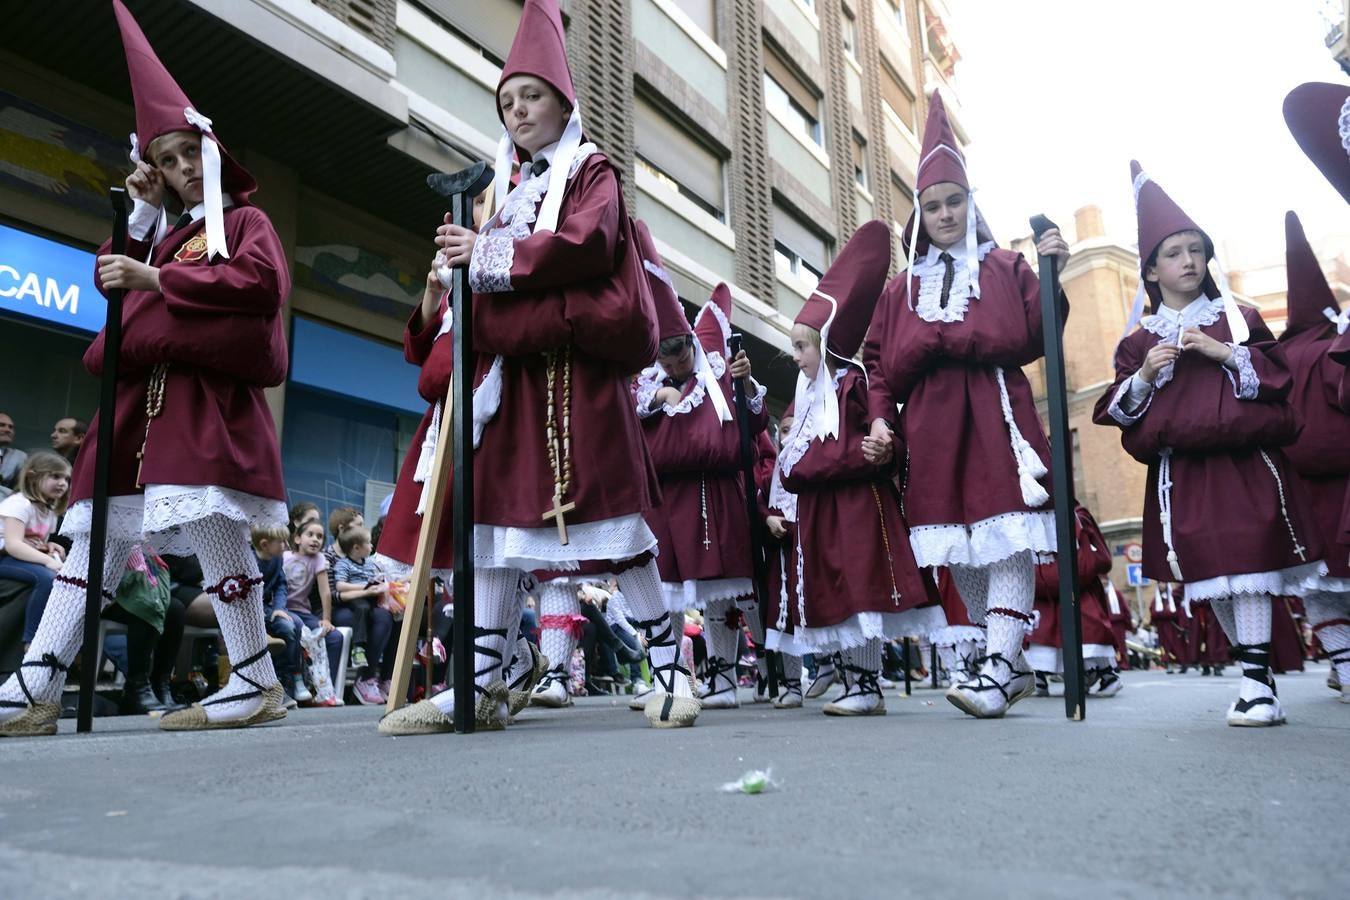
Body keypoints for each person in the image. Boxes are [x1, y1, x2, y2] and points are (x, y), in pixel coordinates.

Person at [380, 0, 699, 735]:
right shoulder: (505, 194)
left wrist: (490, 262)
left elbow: (587, 247)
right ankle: (481, 683)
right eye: (508, 101)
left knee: (616, 528)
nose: (518, 111)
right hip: (514, 389)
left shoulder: (593, 173)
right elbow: (486, 307)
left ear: (563, 102)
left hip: (580, 384)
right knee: (495, 530)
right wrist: (453, 279)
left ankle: (673, 672)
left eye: (531, 96)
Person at [0, 2, 292, 736]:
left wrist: (158, 288)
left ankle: (255, 679)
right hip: (136, 413)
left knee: (217, 536)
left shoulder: (247, 223)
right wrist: (136, 237)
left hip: (200, 410)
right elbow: (111, 339)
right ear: (152, 172)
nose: (184, 169)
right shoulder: (153, 242)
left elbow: (259, 288)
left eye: (191, 152)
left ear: (213, 151)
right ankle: (38, 683)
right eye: (167, 160)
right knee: (91, 540)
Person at [862, 94, 1072, 719]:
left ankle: (1002, 662)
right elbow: (876, 364)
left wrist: (1052, 272)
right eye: (933, 205)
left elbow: (1040, 336)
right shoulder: (900, 290)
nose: (945, 213)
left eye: (954, 201)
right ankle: (1000, 662)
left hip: (994, 411)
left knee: (1003, 538)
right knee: (961, 550)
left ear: (970, 204)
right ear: (919, 216)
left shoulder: (1007, 266)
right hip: (928, 425)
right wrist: (878, 418)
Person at [1092, 161, 1324, 727]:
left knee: (1246, 565)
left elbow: (1279, 380)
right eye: (1174, 252)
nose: (1189, 261)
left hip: (1244, 464)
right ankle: (1257, 673)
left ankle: (1254, 684)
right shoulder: (1138, 340)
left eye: (1196, 249)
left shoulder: (1239, 318)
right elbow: (1119, 414)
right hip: (1180, 475)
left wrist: (1224, 354)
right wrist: (1145, 374)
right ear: (1151, 269)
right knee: (1210, 577)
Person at [780, 220, 939, 717]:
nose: (796, 357)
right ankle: (851, 677)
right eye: (793, 348)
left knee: (863, 588)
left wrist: (870, 449)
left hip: (858, 508)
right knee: (838, 591)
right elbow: (790, 464)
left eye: (802, 346)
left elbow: (876, 435)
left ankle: (866, 683)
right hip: (822, 511)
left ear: (825, 341)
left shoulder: (853, 382)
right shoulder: (807, 398)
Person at [631, 271, 766, 710]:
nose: (673, 369)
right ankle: (667, 679)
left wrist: (745, 385)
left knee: (720, 589)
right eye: (665, 362)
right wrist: (658, 399)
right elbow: (628, 415)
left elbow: (756, 426)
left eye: (679, 359)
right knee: (663, 589)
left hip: (716, 494)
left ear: (691, 343)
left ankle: (725, 679)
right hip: (666, 497)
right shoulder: (649, 381)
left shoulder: (719, 370)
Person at [1025, 503, 1123, 697]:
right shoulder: (1071, 513)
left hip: (1066, 585)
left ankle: (1101, 674)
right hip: (1055, 586)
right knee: (1050, 631)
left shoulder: (1072, 513)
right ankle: (1041, 677)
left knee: (1083, 630)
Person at [0, 452, 70, 647]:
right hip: (4, 557)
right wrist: (47, 560)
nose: (63, 483)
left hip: (15, 558)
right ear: (32, 476)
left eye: (66, 479)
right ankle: (31, 640)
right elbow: (13, 544)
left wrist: (48, 547)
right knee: (46, 578)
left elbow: (34, 541)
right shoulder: (19, 504)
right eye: (56, 476)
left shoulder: (48, 511)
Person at [762, 411, 805, 708]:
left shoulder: (809, 466)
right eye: (784, 430)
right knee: (785, 616)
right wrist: (768, 519)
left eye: (794, 429)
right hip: (781, 558)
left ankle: (842, 672)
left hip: (809, 553)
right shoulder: (770, 474)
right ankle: (792, 684)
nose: (787, 436)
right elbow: (759, 503)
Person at [333, 525, 400, 705]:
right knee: (362, 609)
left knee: (389, 617)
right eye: (368, 543)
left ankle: (375, 678)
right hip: (351, 602)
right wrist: (365, 587)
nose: (371, 546)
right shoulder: (342, 563)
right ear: (356, 547)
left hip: (372, 599)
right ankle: (358, 649)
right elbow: (340, 586)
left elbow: (376, 579)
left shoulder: (370, 563)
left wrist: (379, 586)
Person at [282, 520, 344, 691]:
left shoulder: (319, 559)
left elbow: (325, 592)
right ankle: (294, 682)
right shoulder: (285, 557)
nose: (315, 539)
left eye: (320, 537)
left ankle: (324, 688)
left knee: (334, 637)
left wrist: (326, 619)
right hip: (283, 610)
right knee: (296, 627)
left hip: (302, 611)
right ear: (297, 539)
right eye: (310, 535)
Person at [252, 523, 308, 705]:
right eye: (281, 541)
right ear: (264, 544)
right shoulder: (249, 560)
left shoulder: (277, 558)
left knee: (290, 626)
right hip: (251, 611)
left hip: (269, 609)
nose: (286, 545)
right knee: (287, 627)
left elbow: (281, 584)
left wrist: (279, 608)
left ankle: (285, 681)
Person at [0, 413, 27, 498]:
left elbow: (22, 491)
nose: (8, 430)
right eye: (2, 425)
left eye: (11, 427)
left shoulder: (19, 457)